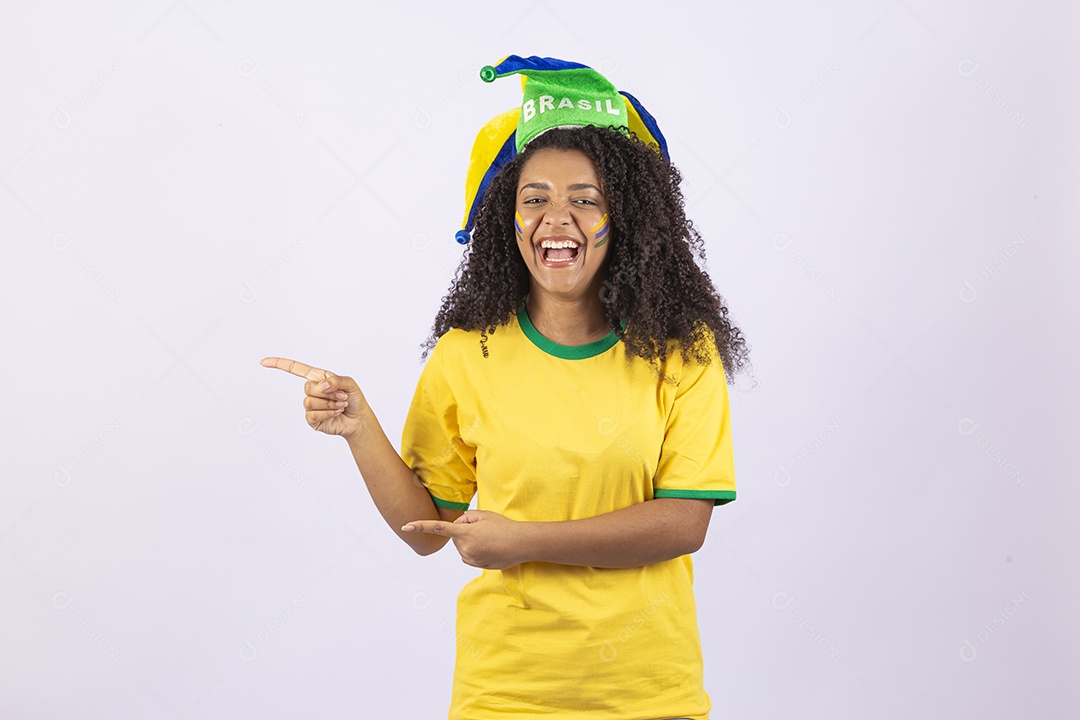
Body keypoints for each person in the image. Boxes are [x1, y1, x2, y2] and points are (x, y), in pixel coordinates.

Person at [262, 55, 749, 720]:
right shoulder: (467, 356)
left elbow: (683, 523)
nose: (557, 217)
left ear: (627, 218)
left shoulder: (682, 354)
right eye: (535, 198)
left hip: (648, 695)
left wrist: (523, 541)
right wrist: (359, 424)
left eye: (586, 199)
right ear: (507, 220)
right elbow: (426, 530)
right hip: (505, 695)